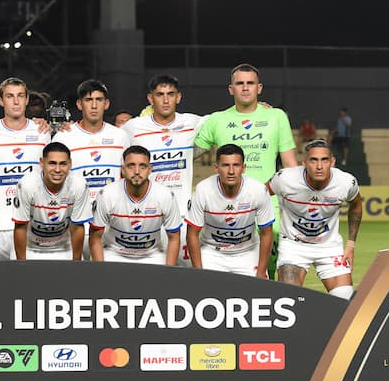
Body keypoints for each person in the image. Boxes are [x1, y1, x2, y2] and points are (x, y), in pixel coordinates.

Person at [194, 63, 298, 280]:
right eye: (239, 83)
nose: (245, 88)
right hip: (228, 202)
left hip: (270, 198)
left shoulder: (277, 116)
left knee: (280, 254)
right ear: (231, 89)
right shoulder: (217, 120)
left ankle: (280, 300)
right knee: (234, 259)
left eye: (250, 83)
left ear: (259, 88)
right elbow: (188, 153)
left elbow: (290, 166)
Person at [122, 74, 208, 266]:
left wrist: (258, 108)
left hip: (183, 215)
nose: (166, 100)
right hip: (147, 215)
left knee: (188, 275)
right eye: (160, 94)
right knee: (151, 277)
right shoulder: (133, 127)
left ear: (179, 97)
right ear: (150, 99)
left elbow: (224, 120)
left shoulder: (192, 122)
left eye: (171, 94)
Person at [266, 140, 362, 300]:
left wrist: (351, 244)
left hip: (329, 247)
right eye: (313, 160)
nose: (319, 166)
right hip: (293, 245)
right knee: (288, 300)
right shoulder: (285, 179)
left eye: (324, 160)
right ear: (304, 162)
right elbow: (259, 195)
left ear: (332, 162)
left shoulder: (345, 182)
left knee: (345, 299)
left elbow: (356, 205)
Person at [0, 77, 51, 260]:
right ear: (0, 100)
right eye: (10, 96)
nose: (15, 102)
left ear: (27, 99)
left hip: (33, 225)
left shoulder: (42, 132)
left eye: (20, 96)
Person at [52, 79, 129, 259]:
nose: (94, 105)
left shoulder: (120, 137)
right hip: (74, 224)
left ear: (106, 104)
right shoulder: (64, 137)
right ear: (79, 104)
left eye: (99, 100)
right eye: (88, 100)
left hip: (111, 225)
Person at [185, 144, 274, 278]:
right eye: (225, 165)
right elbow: (192, 234)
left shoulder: (258, 190)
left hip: (248, 251)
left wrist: (261, 272)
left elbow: (266, 233)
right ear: (216, 168)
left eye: (236, 165)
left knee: (260, 294)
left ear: (243, 168)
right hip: (212, 252)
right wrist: (199, 273)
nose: (231, 171)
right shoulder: (202, 190)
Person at [89, 145, 182, 265]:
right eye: (131, 166)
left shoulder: (165, 195)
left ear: (150, 169)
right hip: (115, 254)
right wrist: (101, 272)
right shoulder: (106, 194)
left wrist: (168, 273)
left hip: (152, 254)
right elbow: (95, 238)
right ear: (123, 170)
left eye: (142, 166)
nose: (137, 171)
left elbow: (174, 238)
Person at [12, 142, 92, 260]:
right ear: (42, 163)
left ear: (70, 164)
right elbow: (20, 227)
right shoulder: (27, 184)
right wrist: (22, 264)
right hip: (30, 247)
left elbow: (77, 227)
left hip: (64, 247)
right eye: (52, 163)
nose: (58, 169)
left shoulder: (79, 185)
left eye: (63, 164)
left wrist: (76, 263)